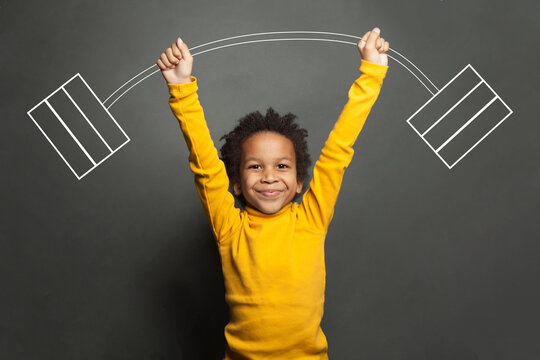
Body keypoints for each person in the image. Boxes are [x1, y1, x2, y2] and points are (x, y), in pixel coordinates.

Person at [157, 27, 389, 360]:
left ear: (299, 182)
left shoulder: (311, 218)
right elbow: (205, 166)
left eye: (282, 166)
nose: (269, 177)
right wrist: (180, 88)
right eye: (254, 167)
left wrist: (372, 73)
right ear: (235, 183)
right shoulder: (229, 227)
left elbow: (338, 149)